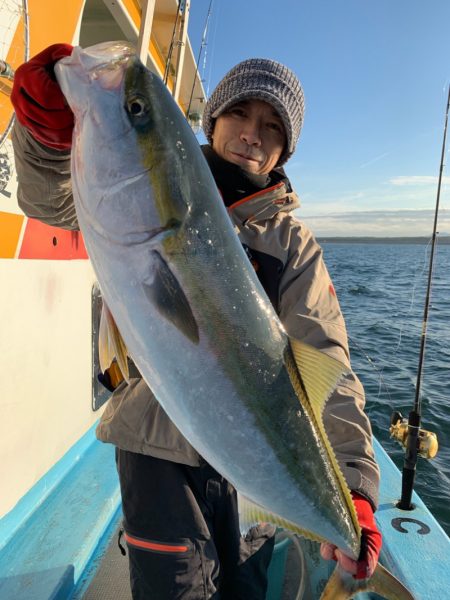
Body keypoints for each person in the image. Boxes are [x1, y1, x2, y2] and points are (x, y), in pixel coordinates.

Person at [11, 45, 382, 599]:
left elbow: (327, 363)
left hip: (251, 472)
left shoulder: (293, 245)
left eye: (272, 126)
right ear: (213, 120)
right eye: (240, 114)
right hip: (157, 452)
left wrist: (353, 488)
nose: (252, 134)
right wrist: (44, 138)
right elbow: (53, 202)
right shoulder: (143, 181)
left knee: (244, 589)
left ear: (286, 148)